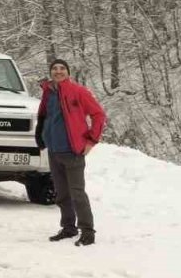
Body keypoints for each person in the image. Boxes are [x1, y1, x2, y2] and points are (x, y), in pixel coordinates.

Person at [35, 59, 106, 247]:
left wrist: (91, 140)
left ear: (68, 72)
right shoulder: (48, 93)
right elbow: (43, 116)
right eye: (54, 69)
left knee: (77, 193)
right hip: (54, 150)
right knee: (62, 193)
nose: (58, 71)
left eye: (62, 69)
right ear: (51, 72)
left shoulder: (78, 92)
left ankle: (88, 231)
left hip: (73, 151)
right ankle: (68, 228)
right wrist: (41, 136)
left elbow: (98, 115)